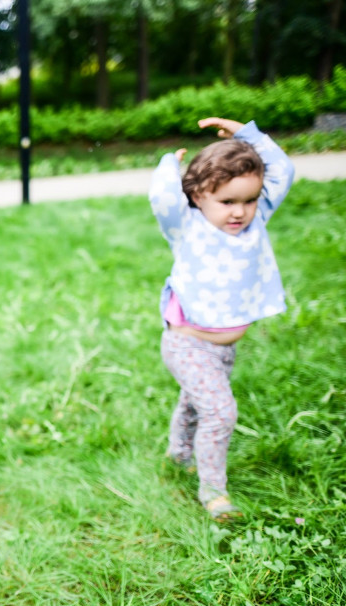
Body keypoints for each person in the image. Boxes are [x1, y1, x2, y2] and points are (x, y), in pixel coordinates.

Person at [148, 117, 295, 521]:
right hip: (187, 342)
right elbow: (163, 200)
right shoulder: (188, 226)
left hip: (223, 348)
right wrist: (167, 165)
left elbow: (283, 171)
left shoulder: (257, 219)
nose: (240, 211)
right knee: (220, 412)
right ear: (197, 195)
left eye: (248, 200)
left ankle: (178, 455)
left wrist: (248, 136)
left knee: (196, 404)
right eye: (227, 202)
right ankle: (214, 491)